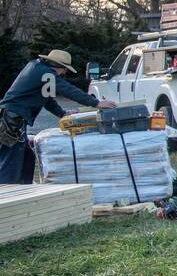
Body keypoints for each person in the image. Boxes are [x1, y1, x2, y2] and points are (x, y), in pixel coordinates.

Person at [0, 49, 115, 185]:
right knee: (10, 162)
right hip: (12, 121)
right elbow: (68, 90)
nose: (64, 73)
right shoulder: (45, 73)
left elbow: (47, 98)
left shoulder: (37, 68)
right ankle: (6, 197)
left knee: (27, 159)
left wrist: (62, 114)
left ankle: (24, 191)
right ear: (59, 66)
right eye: (65, 70)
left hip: (13, 119)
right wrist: (96, 103)